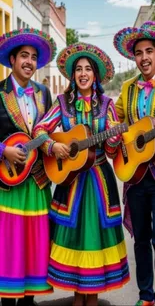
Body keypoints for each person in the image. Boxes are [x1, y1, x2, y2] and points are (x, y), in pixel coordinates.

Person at [33, 42, 130, 306]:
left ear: (95, 75)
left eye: (88, 69)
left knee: (95, 239)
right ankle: (78, 298)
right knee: (73, 238)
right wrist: (54, 146)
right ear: (72, 75)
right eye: (78, 69)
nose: (83, 73)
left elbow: (111, 150)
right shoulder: (62, 103)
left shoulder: (107, 105)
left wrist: (114, 137)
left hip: (98, 180)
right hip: (70, 182)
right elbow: (40, 129)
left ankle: (92, 297)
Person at [0, 28, 57, 306]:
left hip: (36, 181)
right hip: (7, 184)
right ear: (12, 60)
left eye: (34, 57)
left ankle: (29, 300)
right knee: (9, 245)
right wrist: (4, 150)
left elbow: (47, 131)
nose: (29, 62)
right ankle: (6, 300)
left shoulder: (44, 93)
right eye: (24, 56)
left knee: (35, 243)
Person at [113, 21, 155, 306]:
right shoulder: (127, 89)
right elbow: (115, 120)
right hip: (137, 175)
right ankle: (146, 296)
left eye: (150, 50)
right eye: (139, 53)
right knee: (141, 239)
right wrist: (119, 136)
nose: (144, 57)